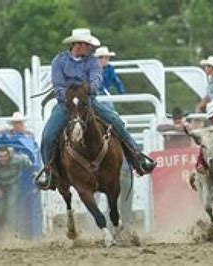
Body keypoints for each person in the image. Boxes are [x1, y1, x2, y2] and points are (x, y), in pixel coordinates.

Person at [34, 28, 155, 188]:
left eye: (89, 45)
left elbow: (96, 79)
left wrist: (88, 90)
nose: (89, 48)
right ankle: (49, 172)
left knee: (115, 121)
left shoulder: (92, 61)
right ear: (77, 44)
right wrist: (70, 96)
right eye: (86, 45)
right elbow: (58, 84)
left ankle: (136, 157)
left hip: (89, 102)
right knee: (48, 135)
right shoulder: (59, 61)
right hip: (66, 105)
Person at [0, 147, 34, 238]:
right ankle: (0, 232)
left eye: (5, 156)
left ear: (9, 155)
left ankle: (12, 231)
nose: (3, 159)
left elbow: (29, 163)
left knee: (11, 206)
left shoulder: (18, 159)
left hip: (12, 184)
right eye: (0, 157)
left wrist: (34, 172)